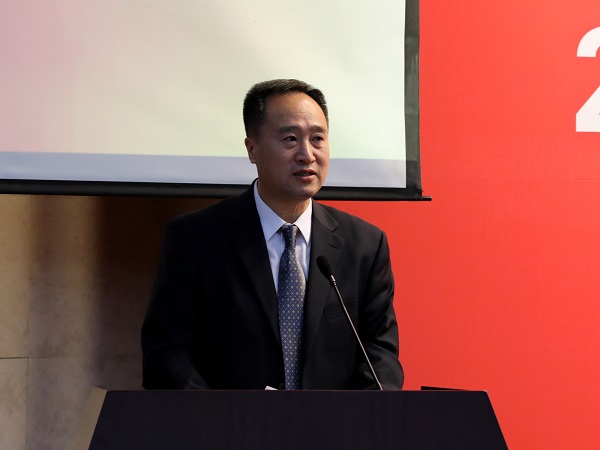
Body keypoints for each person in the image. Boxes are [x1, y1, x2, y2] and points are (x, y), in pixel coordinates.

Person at [141, 79, 404, 390]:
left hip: (333, 423)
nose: (307, 154)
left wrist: (356, 416)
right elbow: (166, 353)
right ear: (252, 149)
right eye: (290, 139)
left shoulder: (365, 245)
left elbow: (380, 355)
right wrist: (215, 415)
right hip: (226, 421)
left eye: (317, 139)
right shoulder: (195, 239)